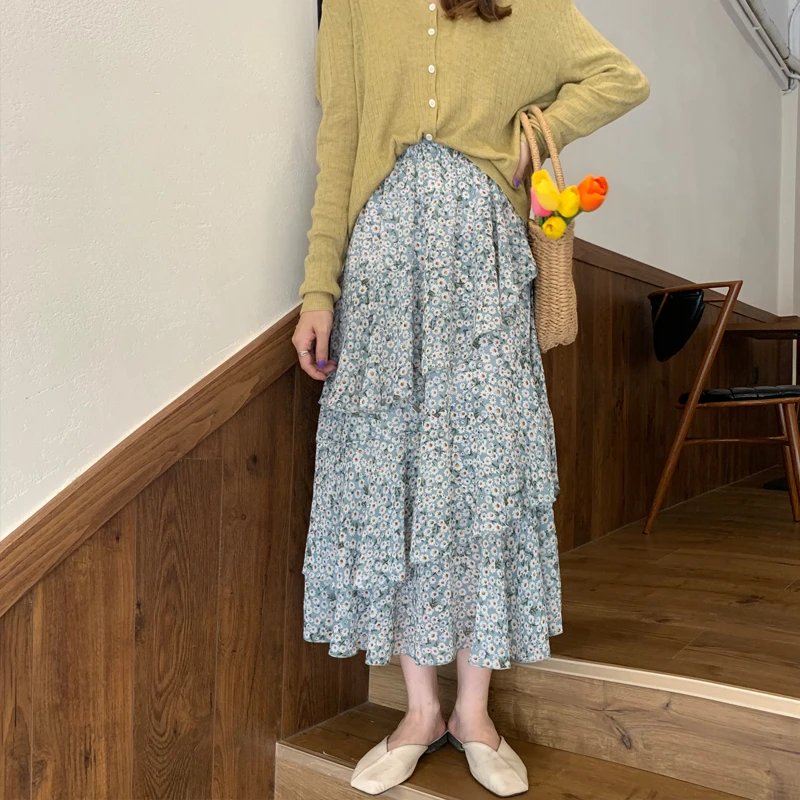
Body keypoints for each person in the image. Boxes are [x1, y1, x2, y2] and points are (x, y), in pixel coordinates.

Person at [292, 0, 649, 795]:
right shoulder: (352, 6)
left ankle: (474, 713)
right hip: (382, 265)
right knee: (395, 474)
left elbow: (621, 78)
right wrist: (319, 288)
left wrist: (535, 135)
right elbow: (339, 139)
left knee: (487, 471)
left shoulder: (523, 5)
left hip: (483, 262)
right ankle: (421, 711)